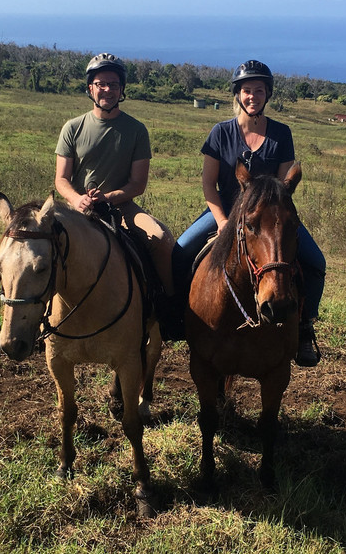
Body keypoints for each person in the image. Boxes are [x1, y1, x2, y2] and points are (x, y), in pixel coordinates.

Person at [176, 59, 325, 366]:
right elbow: (208, 184)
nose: (252, 96)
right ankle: (178, 319)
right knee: (179, 252)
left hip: (269, 219)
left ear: (267, 95)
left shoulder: (281, 134)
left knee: (315, 262)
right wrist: (222, 222)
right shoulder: (220, 133)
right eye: (247, 90)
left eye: (259, 90)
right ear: (238, 94)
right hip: (226, 213)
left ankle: (305, 326)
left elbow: (284, 188)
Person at [54, 52, 180, 334]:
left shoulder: (136, 130)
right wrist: (77, 199)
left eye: (113, 84)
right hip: (77, 209)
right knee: (37, 245)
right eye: (101, 84)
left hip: (121, 208)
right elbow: (61, 179)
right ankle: (32, 316)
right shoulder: (73, 128)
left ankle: (168, 310)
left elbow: (138, 184)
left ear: (122, 90)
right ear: (91, 88)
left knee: (161, 239)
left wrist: (108, 198)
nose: (107, 90)